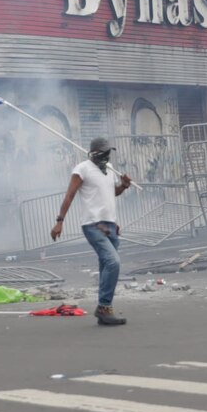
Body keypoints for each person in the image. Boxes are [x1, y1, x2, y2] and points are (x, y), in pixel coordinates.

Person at [51, 137, 132, 326]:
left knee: (106, 264)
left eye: (108, 152)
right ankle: (104, 307)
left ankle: (104, 309)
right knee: (113, 262)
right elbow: (70, 195)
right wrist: (59, 221)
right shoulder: (82, 169)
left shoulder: (109, 169)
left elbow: (112, 193)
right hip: (93, 225)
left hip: (110, 225)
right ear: (94, 153)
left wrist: (124, 186)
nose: (106, 156)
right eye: (103, 153)